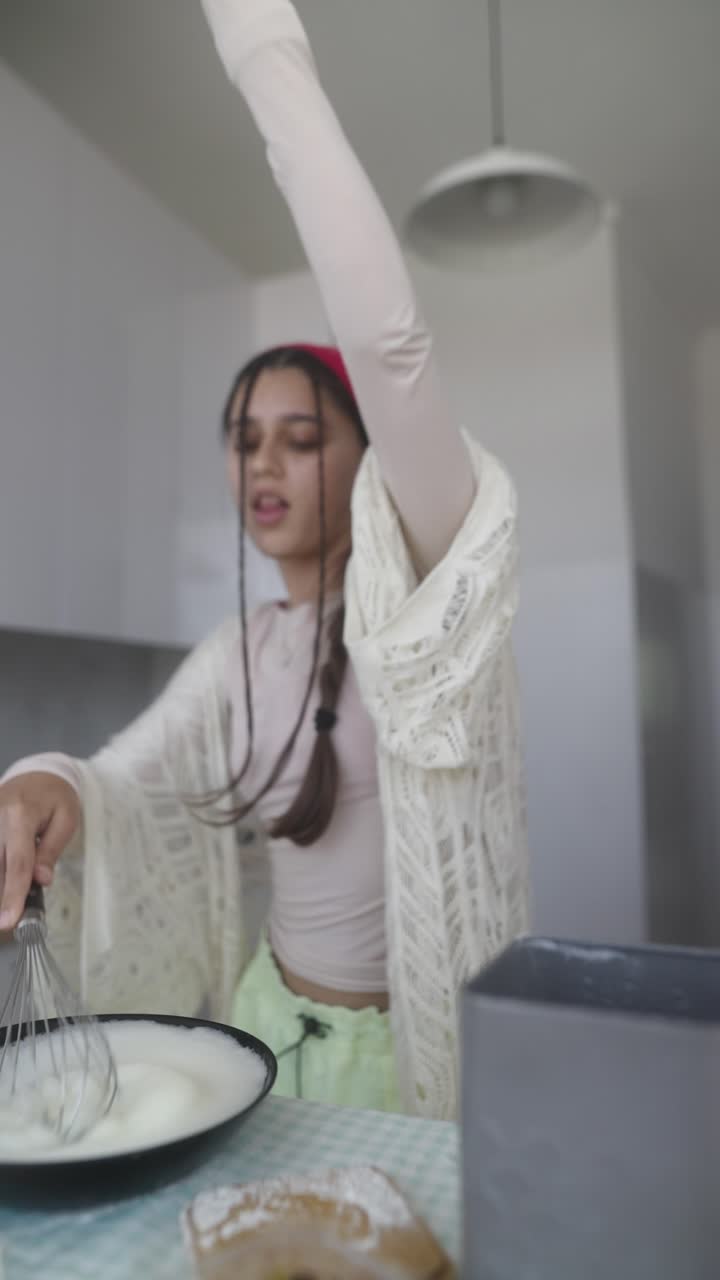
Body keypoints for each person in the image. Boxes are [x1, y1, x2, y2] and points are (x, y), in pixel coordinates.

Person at [0, 0, 529, 1120]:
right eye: (245, 441)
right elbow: (121, 777)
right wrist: (38, 781)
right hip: (260, 1028)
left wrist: (257, 44)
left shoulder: (426, 597)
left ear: (369, 454)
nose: (265, 464)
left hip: (413, 1063)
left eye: (301, 435)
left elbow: (389, 347)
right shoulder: (240, 651)